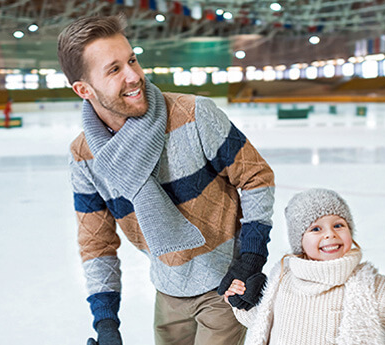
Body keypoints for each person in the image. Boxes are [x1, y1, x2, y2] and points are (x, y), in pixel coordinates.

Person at [57, 15, 275, 345]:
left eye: (132, 60)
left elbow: (256, 176)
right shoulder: (86, 156)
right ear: (83, 89)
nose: (134, 76)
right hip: (167, 291)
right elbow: (96, 243)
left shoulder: (195, 114)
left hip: (226, 287)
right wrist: (106, 323)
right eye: (114, 69)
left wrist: (252, 258)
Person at [223, 188, 385, 344]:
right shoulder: (283, 277)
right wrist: (241, 301)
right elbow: (264, 323)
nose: (330, 234)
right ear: (299, 240)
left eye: (338, 225)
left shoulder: (369, 287)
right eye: (316, 229)